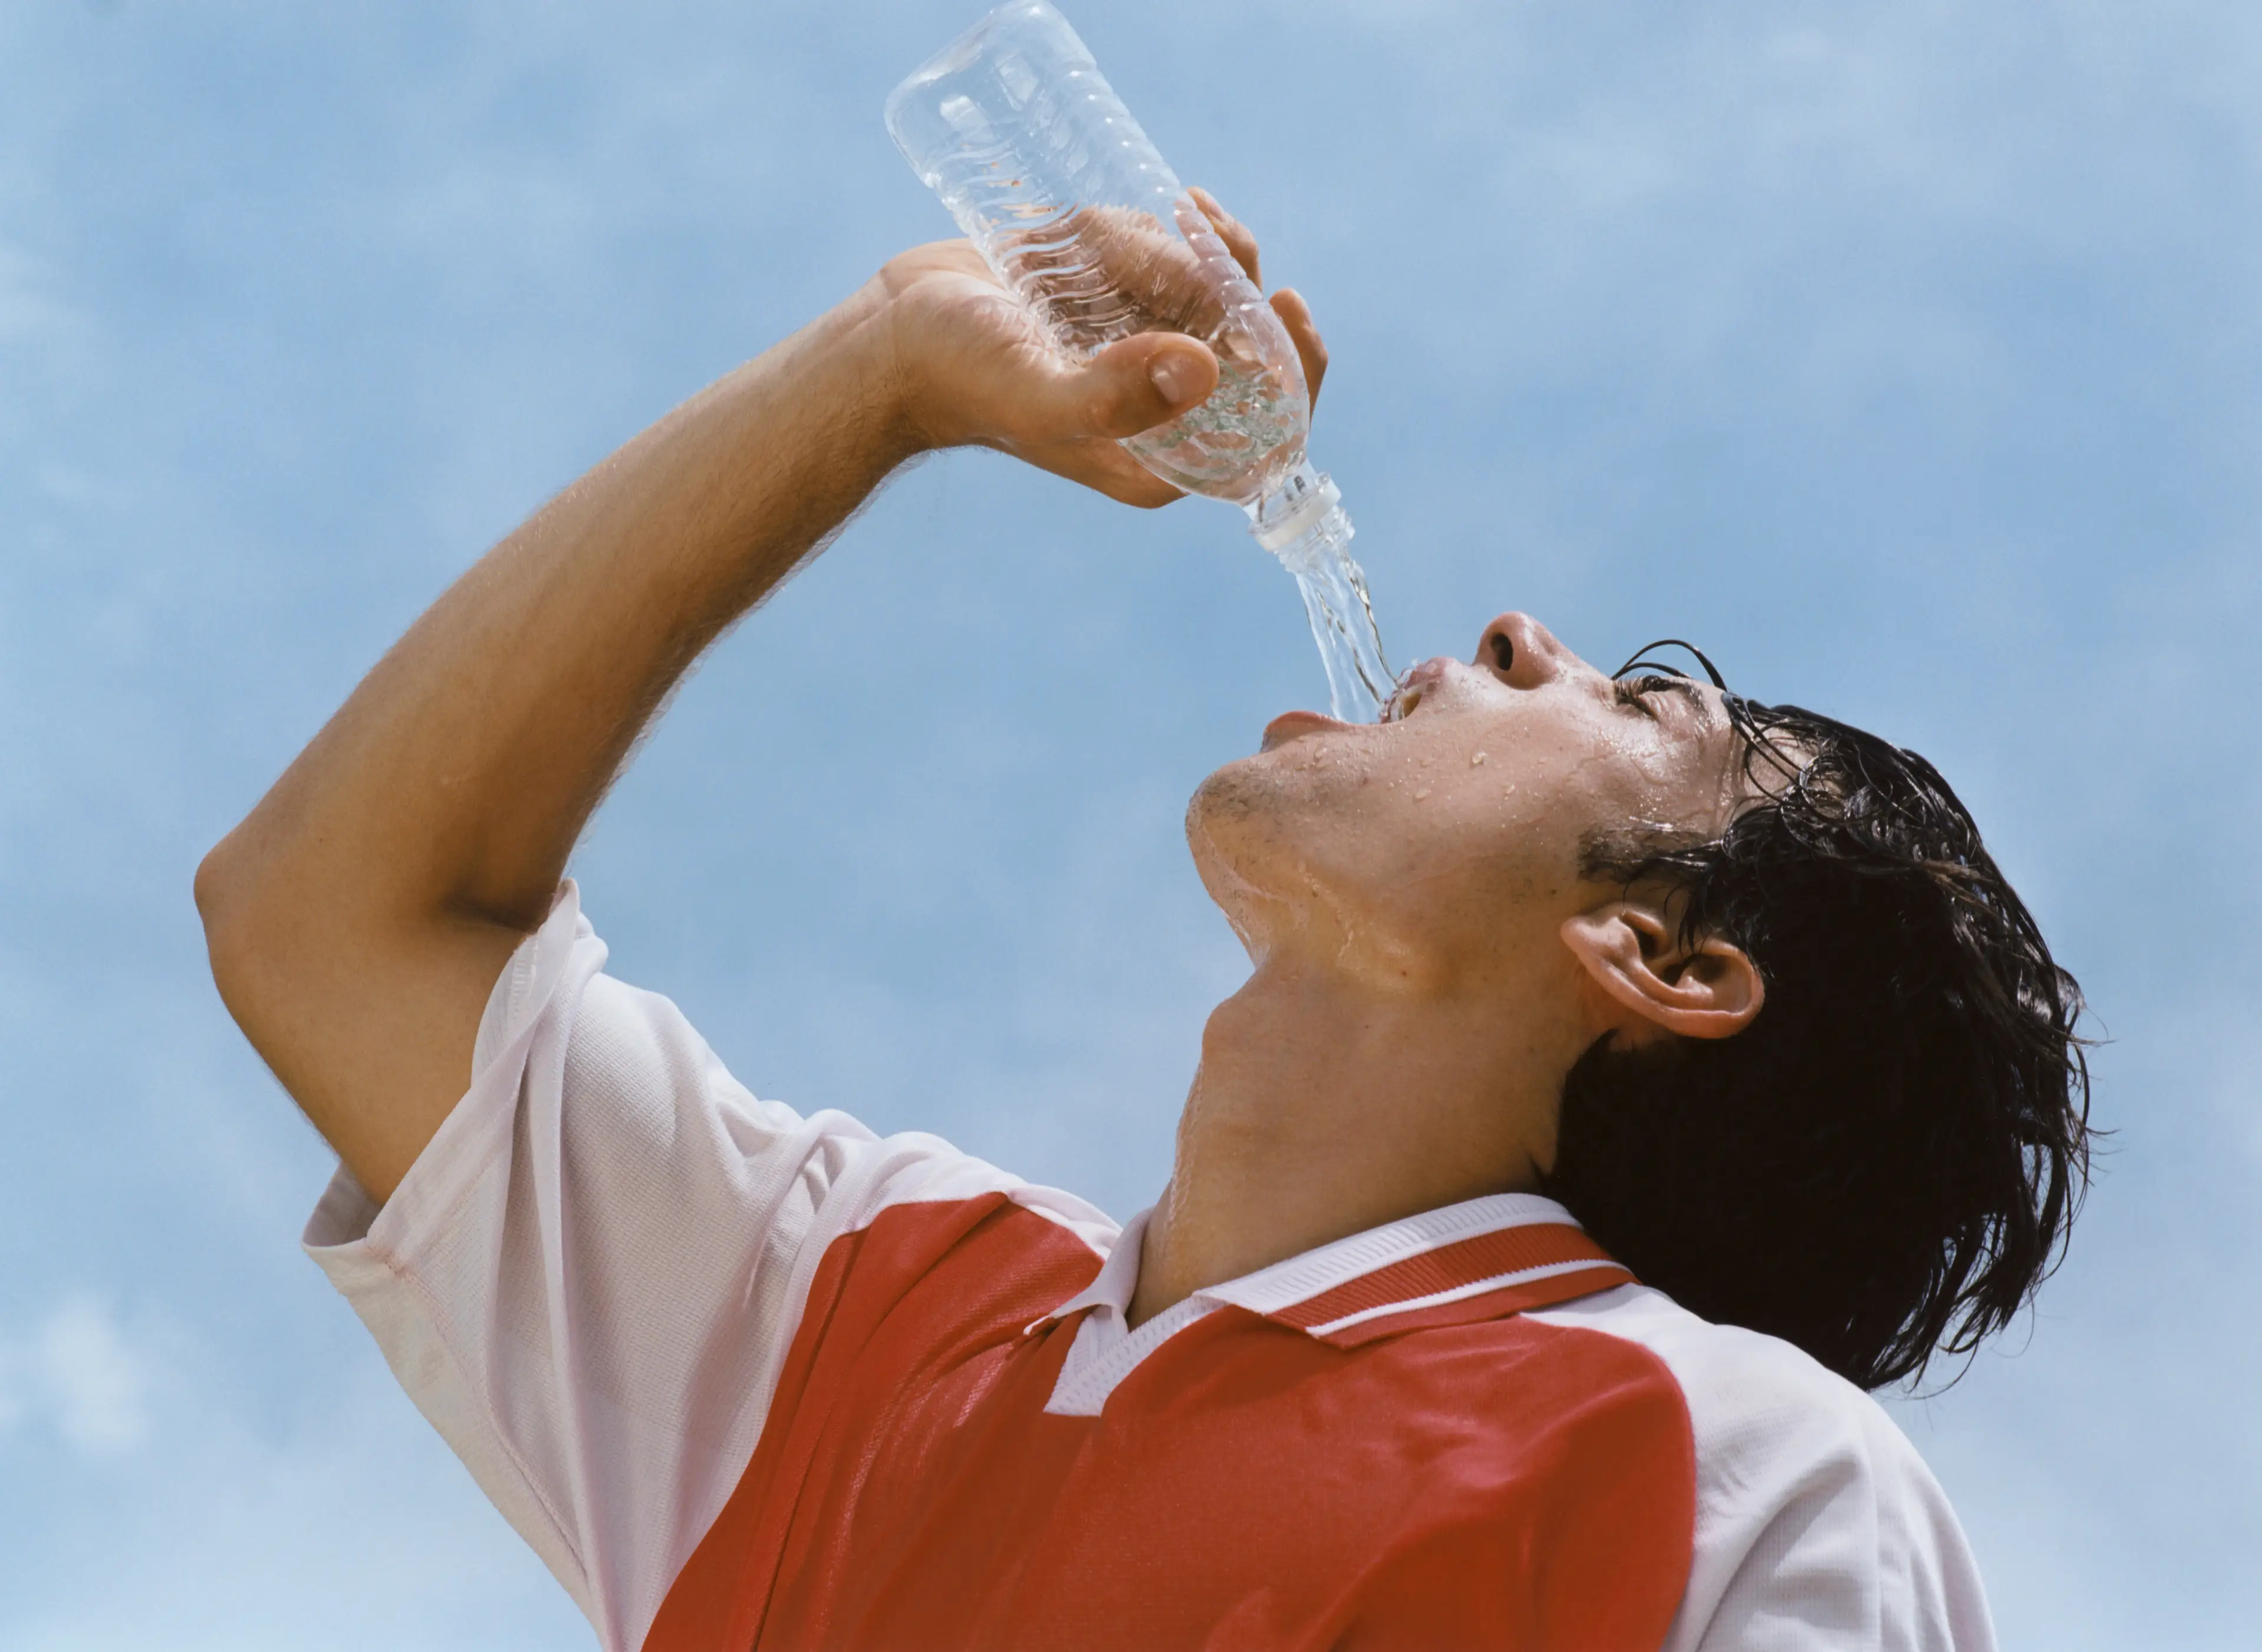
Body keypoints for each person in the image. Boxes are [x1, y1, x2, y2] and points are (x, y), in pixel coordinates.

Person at [197, 194, 2089, 1651]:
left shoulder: (1742, 1476)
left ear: (1662, 962)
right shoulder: (872, 1303)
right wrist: (884, 366)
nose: (1524, 635)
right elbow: (332, 916)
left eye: (1641, 702)